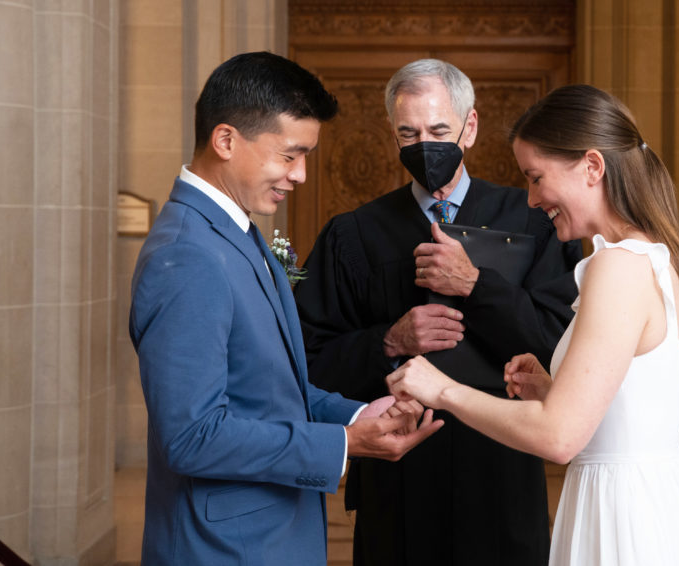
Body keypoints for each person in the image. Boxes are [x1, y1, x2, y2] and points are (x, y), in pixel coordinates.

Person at [387, 83, 679, 565]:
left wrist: (440, 388)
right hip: (652, 502)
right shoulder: (652, 259)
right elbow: (631, 413)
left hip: (625, 520)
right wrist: (552, 391)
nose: (531, 200)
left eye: (536, 177)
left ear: (592, 167)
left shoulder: (619, 266)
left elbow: (559, 438)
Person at [128, 51, 443, 566]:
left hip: (270, 535)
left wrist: (361, 412)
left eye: (306, 158)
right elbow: (191, 436)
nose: (299, 176)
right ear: (226, 140)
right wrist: (341, 444)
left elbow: (271, 391)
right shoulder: (187, 253)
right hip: (223, 549)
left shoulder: (238, 233)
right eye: (289, 155)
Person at [293, 59, 582, 565]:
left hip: (501, 470)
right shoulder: (355, 234)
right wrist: (389, 341)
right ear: (393, 135)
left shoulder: (533, 221)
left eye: (439, 129)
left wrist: (475, 284)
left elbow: (562, 346)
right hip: (399, 478)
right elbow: (308, 361)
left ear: (469, 128)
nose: (424, 144)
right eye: (409, 133)